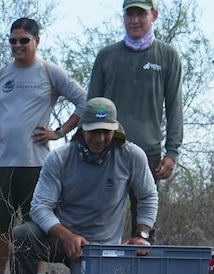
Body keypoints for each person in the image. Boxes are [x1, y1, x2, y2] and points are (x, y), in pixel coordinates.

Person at [0, 17, 87, 274]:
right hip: (2, 164)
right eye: (13, 40)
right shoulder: (1, 75)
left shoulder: (48, 71)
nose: (18, 45)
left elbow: (84, 100)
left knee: (34, 228)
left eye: (24, 40)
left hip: (36, 164)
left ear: (36, 41)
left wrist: (59, 132)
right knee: (2, 228)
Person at [10, 98, 157, 274]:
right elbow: (40, 206)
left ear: (115, 129)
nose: (99, 138)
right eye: (93, 132)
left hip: (104, 248)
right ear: (82, 129)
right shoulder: (60, 158)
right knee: (23, 235)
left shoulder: (132, 155)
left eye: (105, 132)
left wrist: (142, 235)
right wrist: (66, 235)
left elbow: (148, 196)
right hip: (63, 239)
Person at [87, 0, 183, 231]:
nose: (135, 20)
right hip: (106, 150)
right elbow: (91, 106)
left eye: (141, 13)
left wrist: (172, 152)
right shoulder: (106, 56)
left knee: (144, 223)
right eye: (130, 14)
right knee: (100, 219)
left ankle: (143, 266)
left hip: (148, 152)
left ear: (154, 15)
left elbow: (174, 107)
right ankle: (100, 266)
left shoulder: (167, 56)